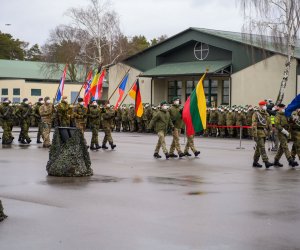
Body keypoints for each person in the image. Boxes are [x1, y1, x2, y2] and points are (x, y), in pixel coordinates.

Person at [252, 100, 273, 168]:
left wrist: (270, 131)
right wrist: (254, 134)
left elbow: (269, 123)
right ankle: (266, 162)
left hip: (264, 132)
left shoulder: (266, 114)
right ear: (260, 106)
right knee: (262, 147)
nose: (265, 106)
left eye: (265, 105)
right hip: (258, 132)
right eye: (264, 105)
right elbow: (254, 124)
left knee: (258, 148)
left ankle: (255, 162)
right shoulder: (256, 113)